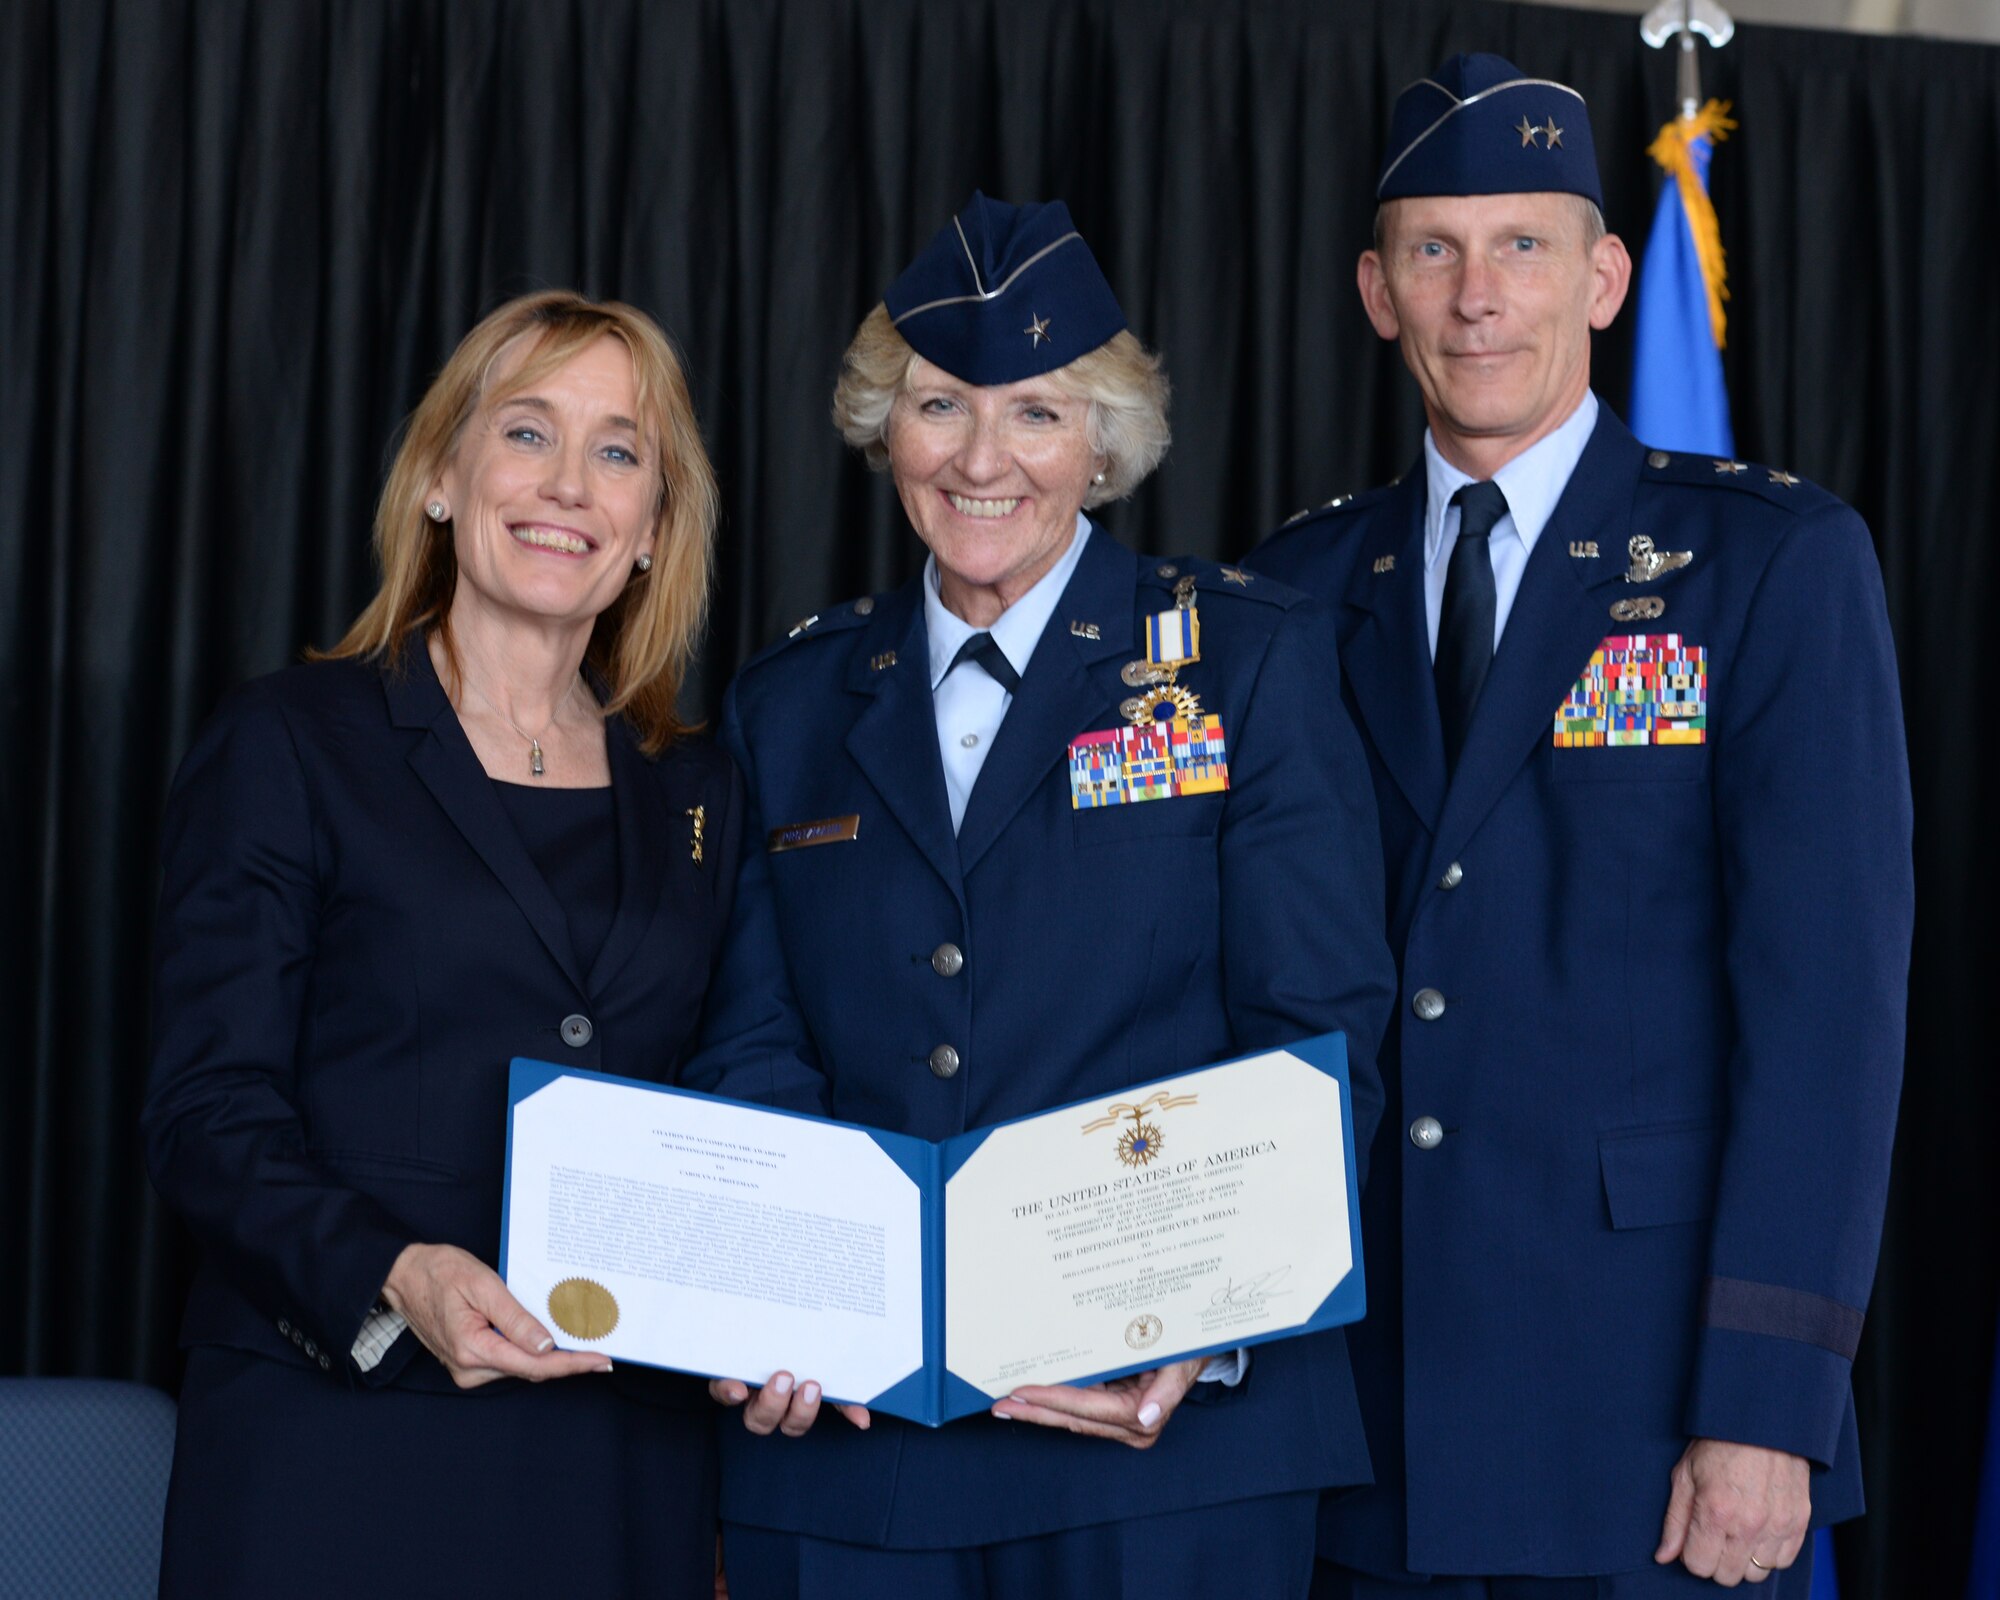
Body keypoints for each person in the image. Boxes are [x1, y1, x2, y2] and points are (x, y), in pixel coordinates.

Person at [1248, 53, 1914, 1598]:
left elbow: (1829, 1021)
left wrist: (1768, 1410)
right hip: (1361, 1422)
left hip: (1651, 1427)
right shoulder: (1289, 592)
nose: (1480, 296)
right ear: (1374, 289)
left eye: (1525, 246)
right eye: (1435, 250)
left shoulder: (1769, 563)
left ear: (1609, 278)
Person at [679, 191, 1398, 1600]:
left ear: (1106, 442)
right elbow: (752, 1039)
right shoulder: (795, 699)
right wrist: (777, 1296)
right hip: (855, 1454)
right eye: (942, 407)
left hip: (1161, 1448)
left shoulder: (1243, 661)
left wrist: (1210, 1317)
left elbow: (1317, 1026)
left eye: (1039, 413)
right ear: (887, 430)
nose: (983, 459)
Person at [142, 290, 740, 1597]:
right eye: (528, 433)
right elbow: (205, 1112)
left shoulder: (699, 788)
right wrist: (390, 1276)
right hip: (338, 1436)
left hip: (617, 1458)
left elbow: (733, 1092)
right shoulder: (290, 743)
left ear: (651, 531)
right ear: (438, 480)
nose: (569, 485)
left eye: (619, 451)